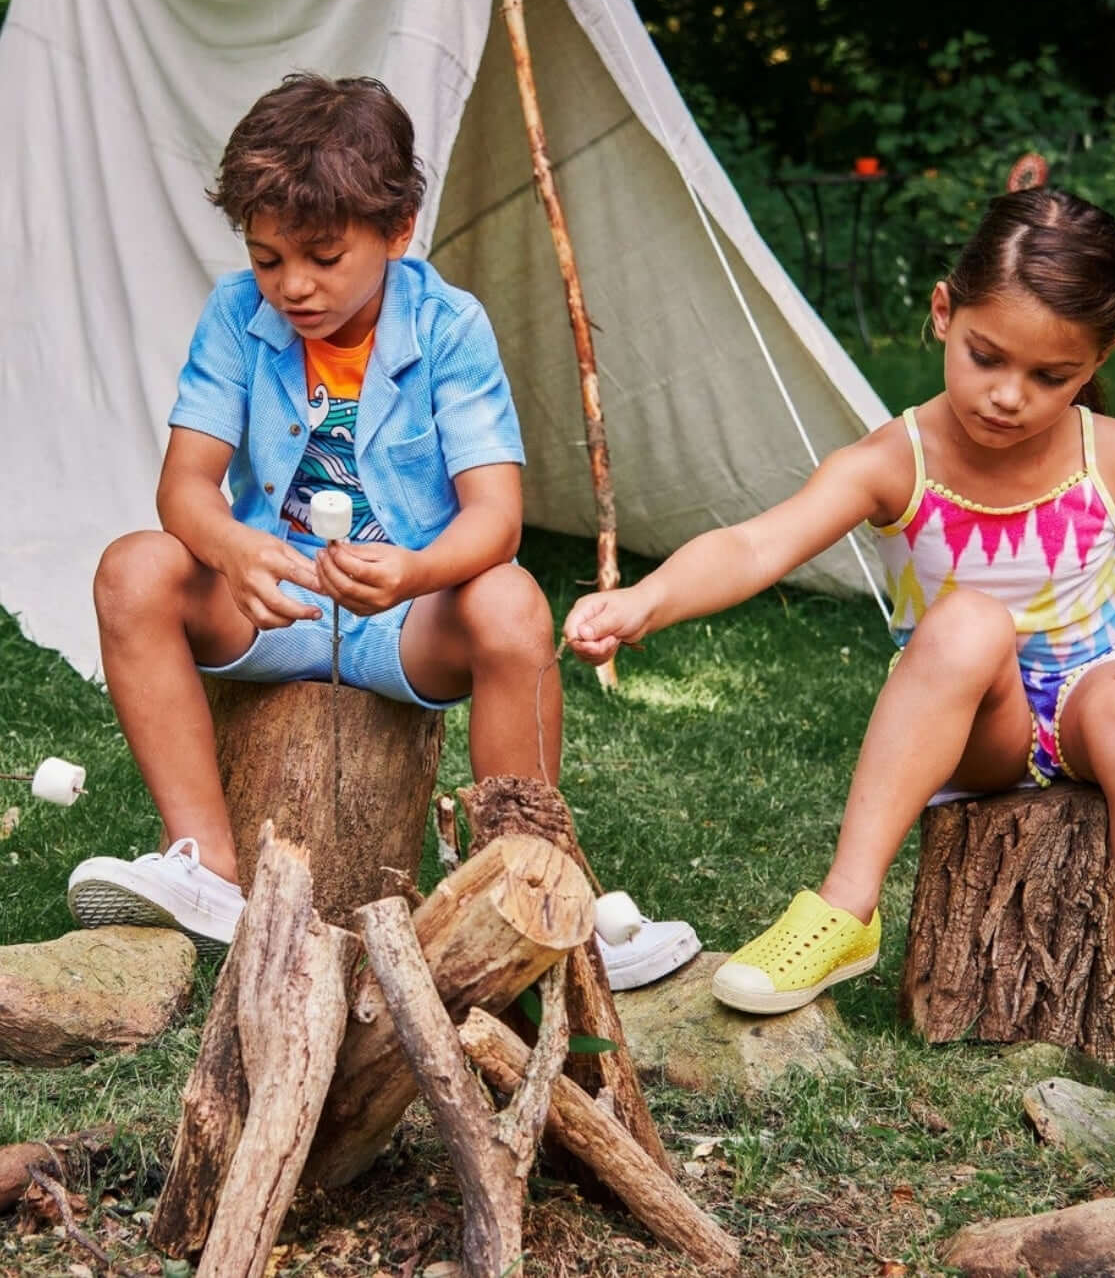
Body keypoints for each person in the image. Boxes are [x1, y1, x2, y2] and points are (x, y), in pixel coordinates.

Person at [565, 188, 1115, 1123]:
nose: (1008, 394)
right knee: (968, 622)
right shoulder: (897, 459)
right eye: (986, 356)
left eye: (1050, 376)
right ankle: (846, 909)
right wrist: (643, 602)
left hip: (1101, 705)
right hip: (979, 724)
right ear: (943, 312)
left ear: (1097, 360)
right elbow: (755, 545)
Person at [67, 72, 698, 989]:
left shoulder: (449, 328)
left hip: (405, 618)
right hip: (273, 605)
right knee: (132, 569)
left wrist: (413, 572)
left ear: (398, 230)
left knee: (513, 604)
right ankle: (204, 868)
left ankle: (533, 888)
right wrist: (234, 549)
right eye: (267, 258)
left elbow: (495, 518)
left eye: (323, 257)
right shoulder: (236, 317)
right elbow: (185, 487)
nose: (293, 285)